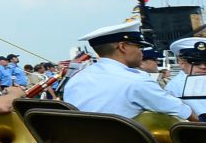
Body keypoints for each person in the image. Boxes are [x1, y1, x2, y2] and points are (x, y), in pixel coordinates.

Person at [64, 24, 198, 120]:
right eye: (139, 47)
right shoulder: (136, 81)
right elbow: (185, 114)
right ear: (122, 47)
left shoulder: (77, 78)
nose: (141, 52)